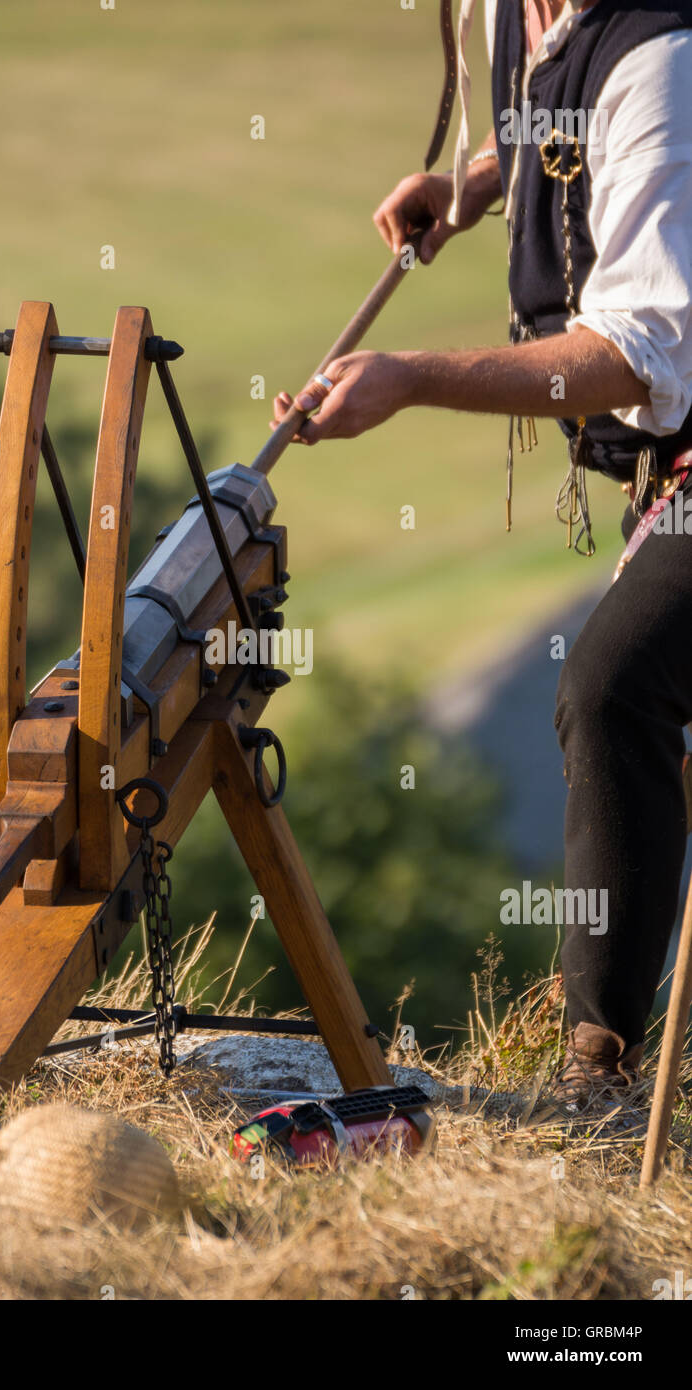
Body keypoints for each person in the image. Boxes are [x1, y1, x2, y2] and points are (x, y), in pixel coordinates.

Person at [272, 0, 692, 1113]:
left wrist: (409, 378)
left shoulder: (660, 54)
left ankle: (594, 1084)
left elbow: (625, 359)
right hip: (670, 476)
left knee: (612, 688)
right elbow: (546, 126)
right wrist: (470, 190)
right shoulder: (525, 15)